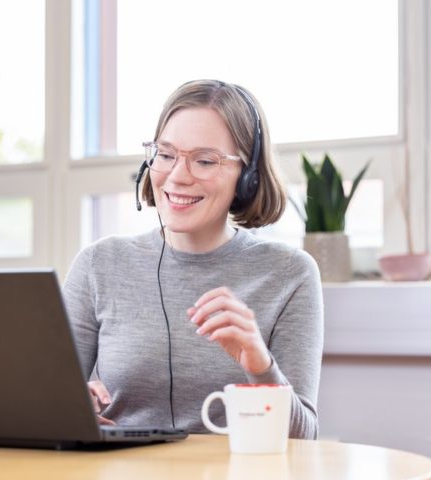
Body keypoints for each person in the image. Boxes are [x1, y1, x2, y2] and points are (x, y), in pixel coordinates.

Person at [62, 79, 323, 439]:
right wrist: (72, 411)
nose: (178, 176)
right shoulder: (98, 264)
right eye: (166, 155)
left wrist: (261, 367)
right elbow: (46, 411)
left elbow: (302, 438)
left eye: (204, 161)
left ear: (247, 177)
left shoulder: (290, 273)